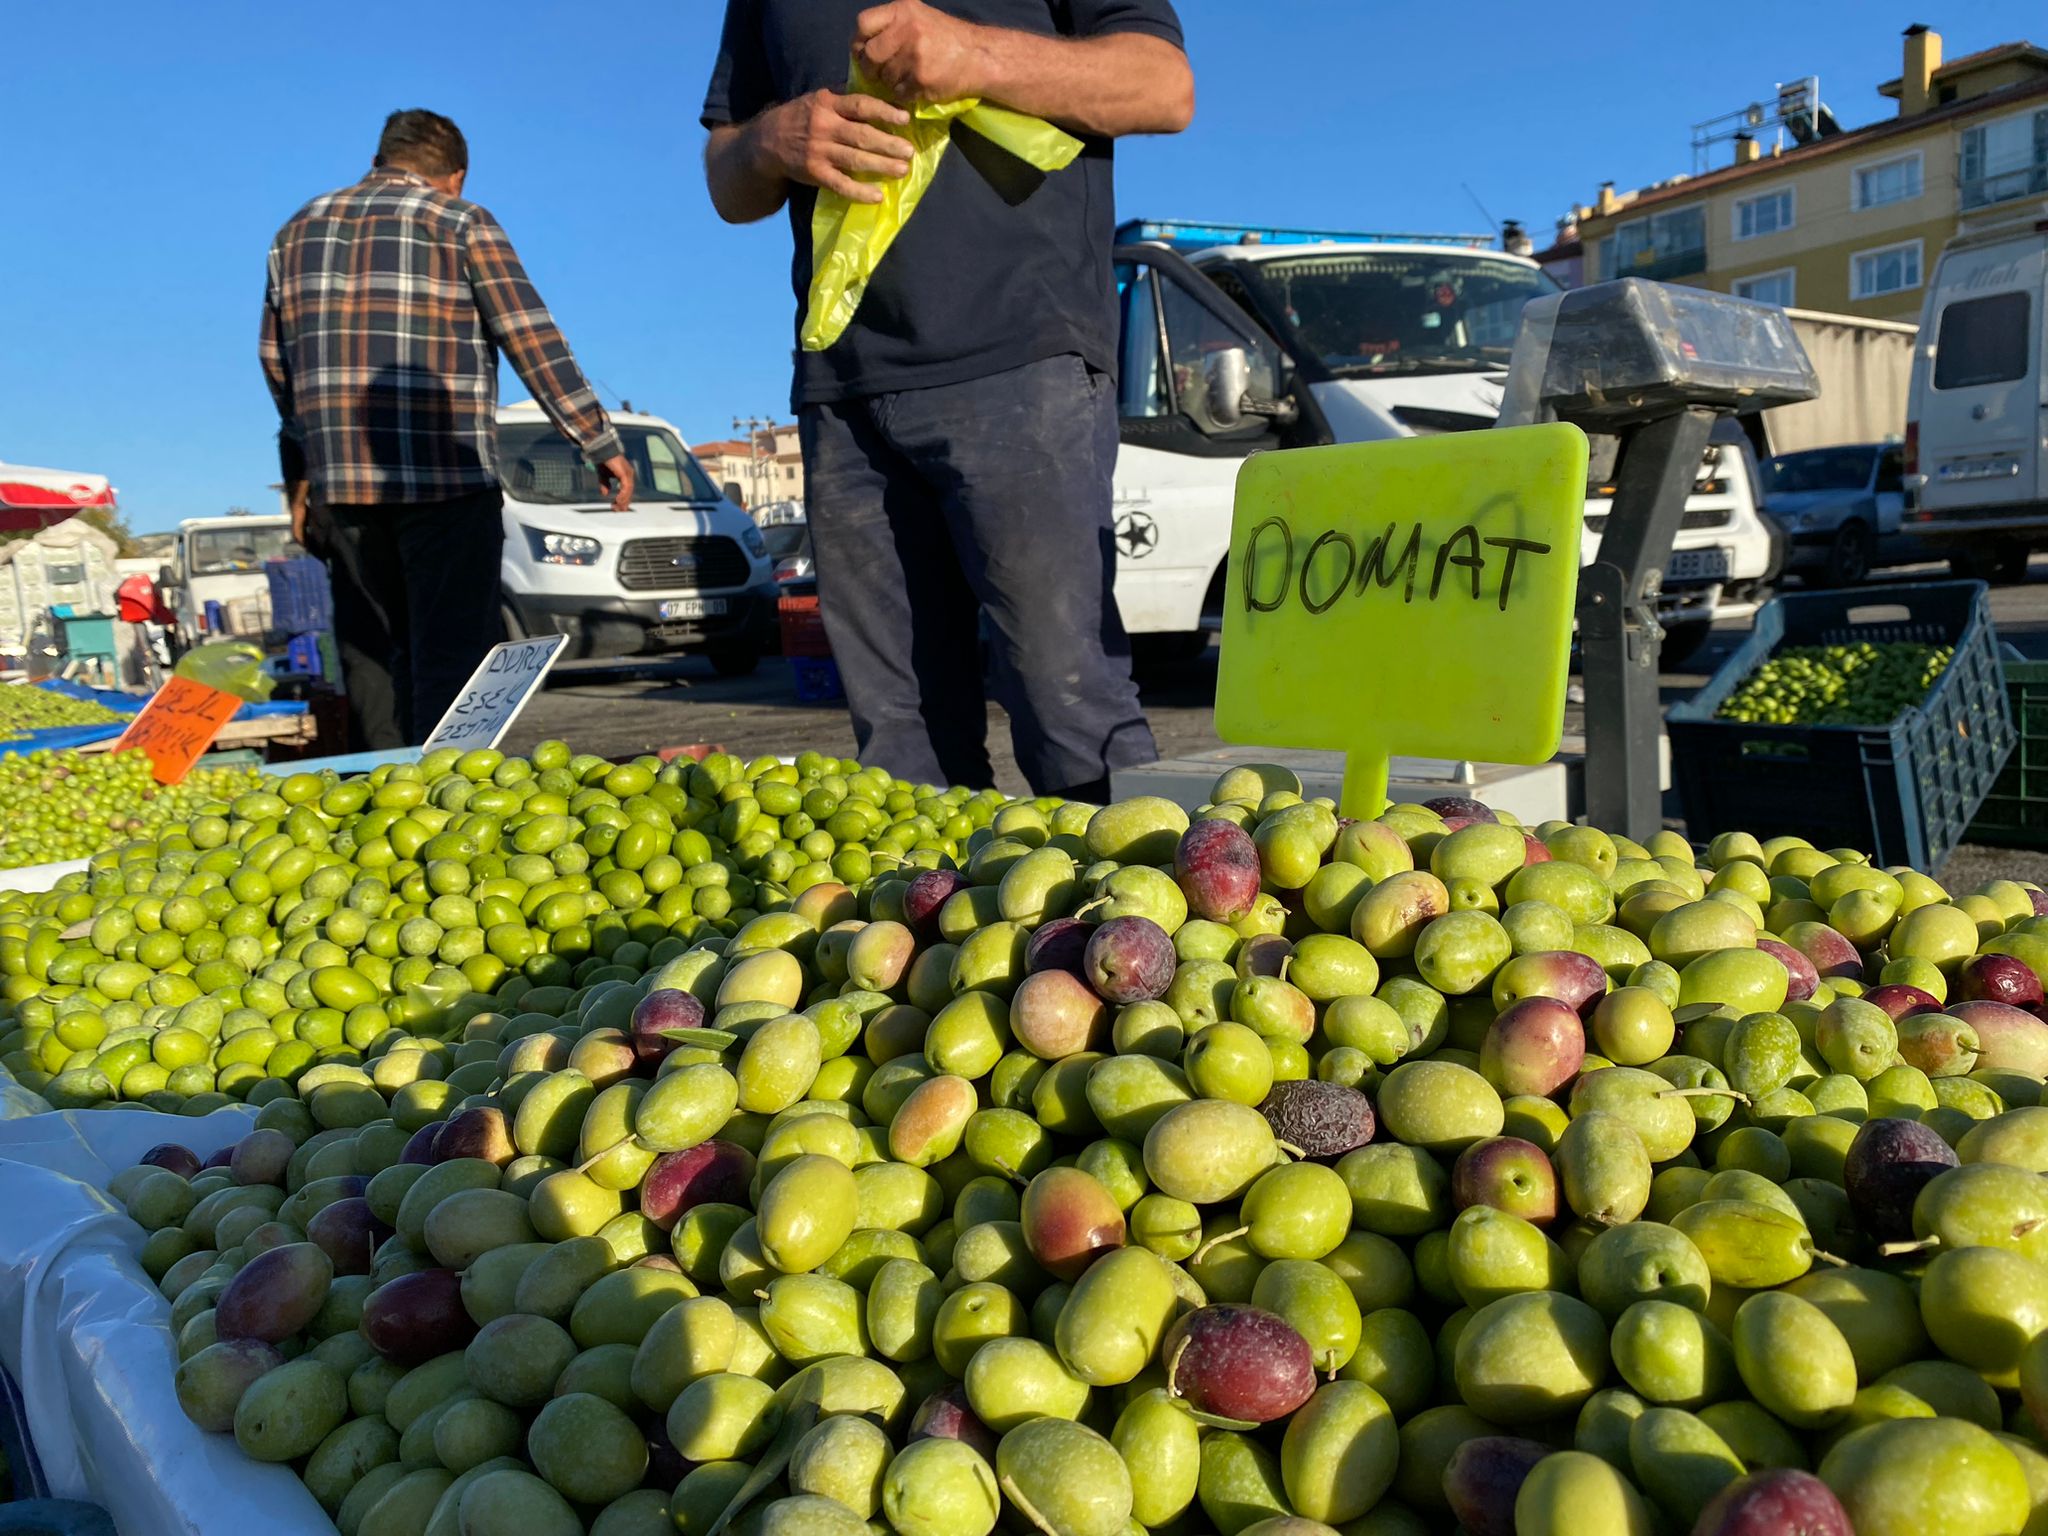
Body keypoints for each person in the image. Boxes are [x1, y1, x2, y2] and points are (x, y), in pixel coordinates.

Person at [702, 0, 1192, 800]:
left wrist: (979, 56)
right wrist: (769, 141)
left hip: (1023, 360)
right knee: (902, 746)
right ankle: (941, 923)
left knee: (1070, 712)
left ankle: (1123, 922)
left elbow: (1164, 86)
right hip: (843, 386)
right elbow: (726, 176)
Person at [260, 109, 633, 750]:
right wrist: (596, 439)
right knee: (454, 667)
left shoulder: (296, 231)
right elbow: (530, 337)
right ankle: (453, 811)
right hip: (446, 483)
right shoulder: (460, 221)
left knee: (372, 661)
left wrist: (301, 473)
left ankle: (381, 804)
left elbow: (278, 364)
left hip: (342, 490)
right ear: (454, 175)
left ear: (381, 159)